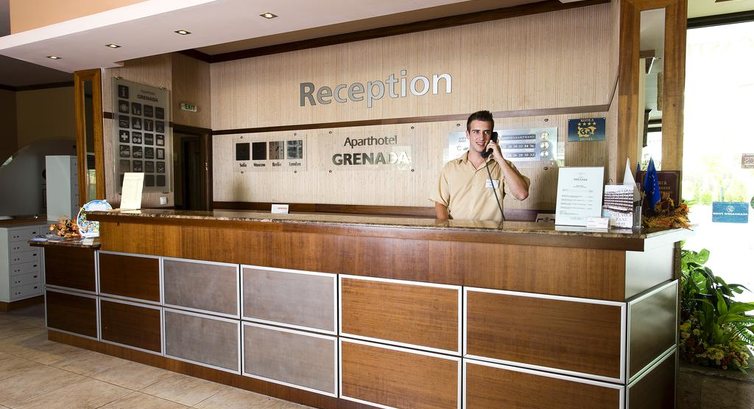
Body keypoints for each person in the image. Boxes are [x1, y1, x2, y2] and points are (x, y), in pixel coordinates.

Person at [432, 110, 529, 221]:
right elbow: (440, 203)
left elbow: (522, 194)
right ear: (467, 134)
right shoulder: (451, 168)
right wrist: (446, 228)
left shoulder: (503, 167)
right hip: (457, 230)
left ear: (492, 136)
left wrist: (500, 159)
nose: (482, 137)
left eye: (486, 132)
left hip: (491, 231)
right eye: (476, 132)